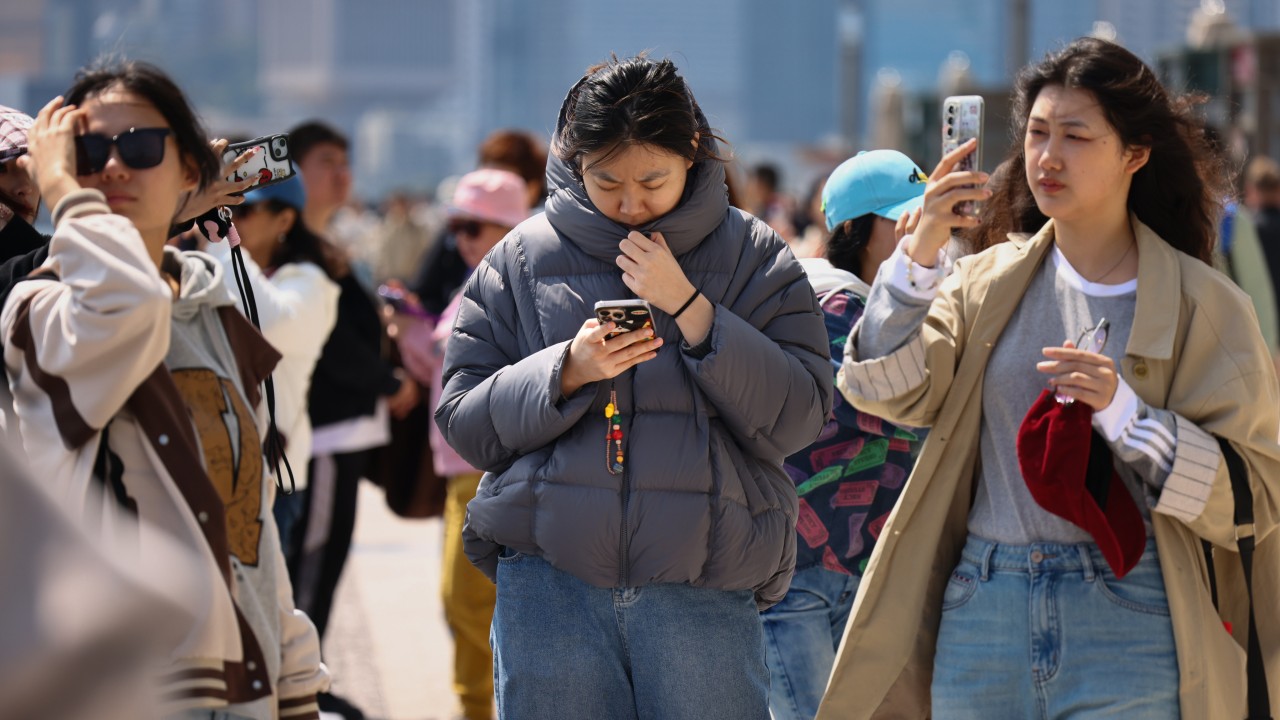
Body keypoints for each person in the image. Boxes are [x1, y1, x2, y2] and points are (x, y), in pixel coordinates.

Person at [818, 37, 1280, 719]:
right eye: (1036, 133)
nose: (1046, 157)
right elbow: (881, 390)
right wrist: (916, 261)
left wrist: (1127, 416)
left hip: (1133, 610)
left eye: (1075, 135)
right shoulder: (981, 282)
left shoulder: (1205, 306)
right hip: (983, 604)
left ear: (1136, 153)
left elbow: (1257, 493)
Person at [436, 55, 832, 720]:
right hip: (551, 588)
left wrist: (693, 310)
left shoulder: (755, 256)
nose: (629, 202)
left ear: (693, 153)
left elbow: (799, 418)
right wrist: (567, 370)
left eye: (652, 179)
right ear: (573, 161)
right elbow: (464, 422)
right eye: (605, 179)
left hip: (703, 587)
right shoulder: (521, 258)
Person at [2, 60, 328, 719]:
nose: (114, 167)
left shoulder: (209, 309)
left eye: (143, 147)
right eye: (87, 150)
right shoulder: (38, 312)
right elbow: (123, 303)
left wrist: (296, 681)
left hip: (244, 689)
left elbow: (250, 520)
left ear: (189, 174)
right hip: (128, 693)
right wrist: (64, 191)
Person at [759, 150, 928, 720]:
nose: (918, 231)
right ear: (857, 229)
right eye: (903, 217)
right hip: (798, 573)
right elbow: (900, 404)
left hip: (840, 568)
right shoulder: (832, 304)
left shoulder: (857, 303)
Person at [288, 119, 415, 720]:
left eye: (345, 161)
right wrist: (386, 380)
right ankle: (297, 685)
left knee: (324, 554)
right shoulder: (294, 246)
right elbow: (328, 344)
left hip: (340, 431)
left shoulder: (322, 240)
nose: (342, 174)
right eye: (327, 162)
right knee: (312, 556)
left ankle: (307, 676)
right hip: (322, 432)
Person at [391, 168, 528, 720]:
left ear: (503, 228)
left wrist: (410, 333)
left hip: (483, 465)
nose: (462, 239)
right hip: (466, 463)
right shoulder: (488, 279)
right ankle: (480, 705)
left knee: (466, 600)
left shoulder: (506, 283)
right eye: (457, 227)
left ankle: (489, 704)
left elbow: (453, 366)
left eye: (473, 227)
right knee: (467, 601)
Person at [210, 175, 341, 554]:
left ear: (284, 220)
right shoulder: (225, 267)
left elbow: (267, 323)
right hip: (215, 464)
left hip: (268, 477)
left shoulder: (309, 283)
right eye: (224, 209)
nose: (228, 219)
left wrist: (219, 241)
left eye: (241, 210)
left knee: (260, 608)